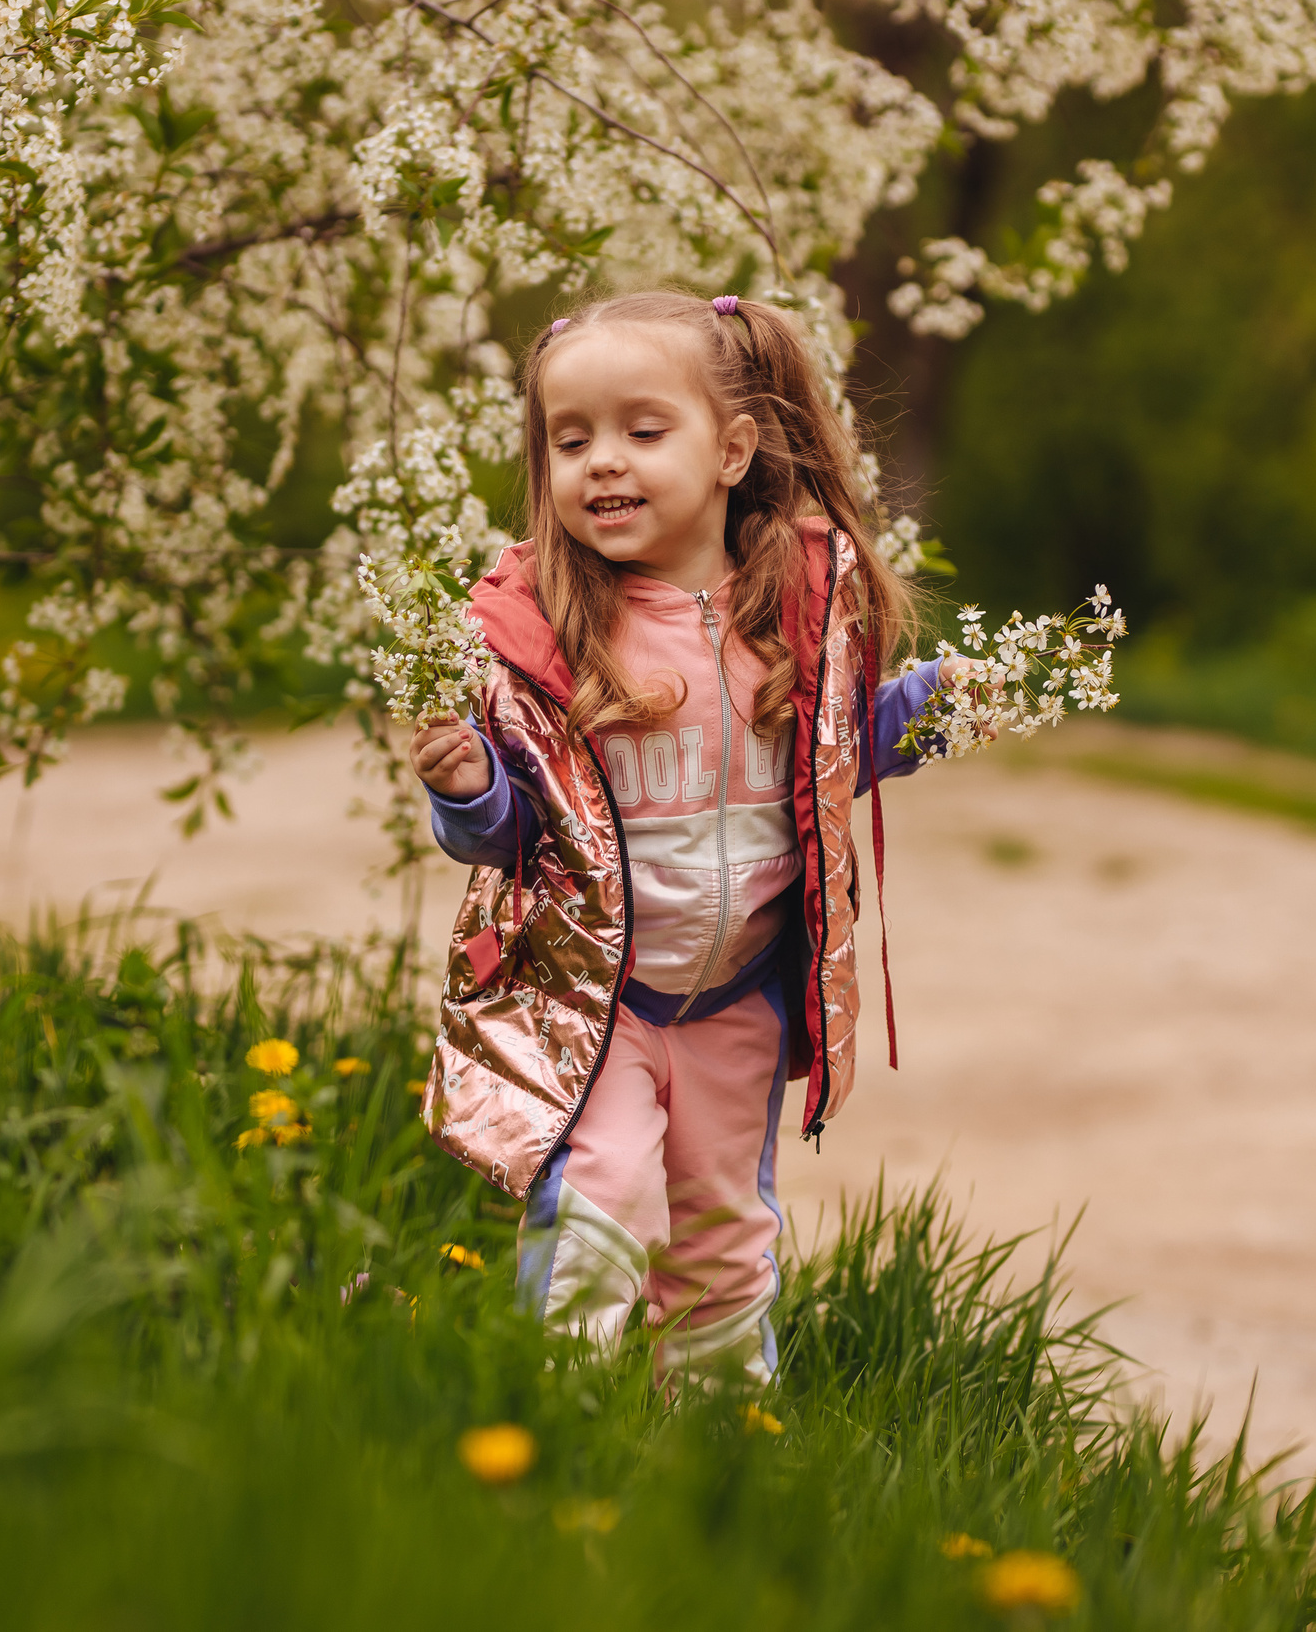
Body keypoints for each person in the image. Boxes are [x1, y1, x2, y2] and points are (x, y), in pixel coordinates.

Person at [407, 290, 958, 1383]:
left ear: (732, 451)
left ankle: (716, 1432)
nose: (602, 463)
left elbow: (837, 754)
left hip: (735, 999)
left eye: (641, 432)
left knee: (724, 1226)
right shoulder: (548, 634)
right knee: (600, 1191)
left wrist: (943, 706)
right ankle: (558, 1413)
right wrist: (468, 790)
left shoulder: (797, 612)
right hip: (601, 1000)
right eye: (572, 441)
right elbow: (521, 835)